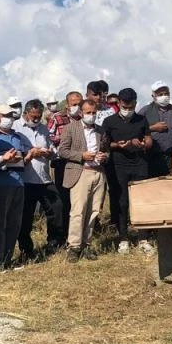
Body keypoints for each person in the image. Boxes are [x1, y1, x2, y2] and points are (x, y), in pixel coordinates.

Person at [101, 88, 152, 255]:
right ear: (119, 104)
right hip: (118, 165)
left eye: (131, 107)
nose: (128, 110)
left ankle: (143, 237)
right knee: (122, 202)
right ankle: (123, 238)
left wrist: (143, 144)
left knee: (142, 201)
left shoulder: (142, 120)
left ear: (136, 104)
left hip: (140, 164)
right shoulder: (109, 121)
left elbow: (149, 140)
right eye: (125, 107)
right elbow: (104, 144)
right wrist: (117, 145)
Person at [59, 99, 109, 261]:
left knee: (94, 211)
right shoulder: (70, 128)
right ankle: (73, 246)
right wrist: (81, 155)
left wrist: (104, 156)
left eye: (94, 113)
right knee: (78, 211)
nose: (91, 116)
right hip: (81, 173)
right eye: (88, 112)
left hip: (98, 172)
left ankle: (86, 244)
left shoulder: (100, 130)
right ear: (81, 113)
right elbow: (63, 151)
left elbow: (106, 150)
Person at [15, 99, 64, 260]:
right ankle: (26, 249)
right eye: (33, 116)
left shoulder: (43, 128)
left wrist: (50, 152)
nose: (36, 119)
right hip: (26, 179)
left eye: (38, 116)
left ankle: (54, 243)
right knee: (25, 217)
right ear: (25, 113)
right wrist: (30, 152)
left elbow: (51, 147)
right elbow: (14, 152)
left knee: (57, 208)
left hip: (44, 178)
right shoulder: (16, 128)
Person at [0, 104, 35, 270]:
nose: (9, 118)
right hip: (1, 184)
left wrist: (27, 157)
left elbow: (21, 158)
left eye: (11, 115)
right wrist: (4, 159)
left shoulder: (17, 137)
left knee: (14, 223)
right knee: (0, 224)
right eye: (5, 115)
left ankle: (7, 260)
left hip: (19, 182)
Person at [48, 91, 83, 240]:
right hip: (63, 162)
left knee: (78, 200)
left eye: (79, 104)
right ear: (67, 105)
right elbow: (48, 136)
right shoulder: (57, 118)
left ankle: (77, 234)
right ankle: (61, 235)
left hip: (80, 162)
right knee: (63, 200)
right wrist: (64, 138)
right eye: (74, 104)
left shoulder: (84, 118)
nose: (77, 107)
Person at [138, 81, 172, 178]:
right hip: (150, 156)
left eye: (166, 94)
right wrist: (153, 128)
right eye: (160, 94)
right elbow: (136, 130)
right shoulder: (145, 111)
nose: (164, 96)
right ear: (153, 96)